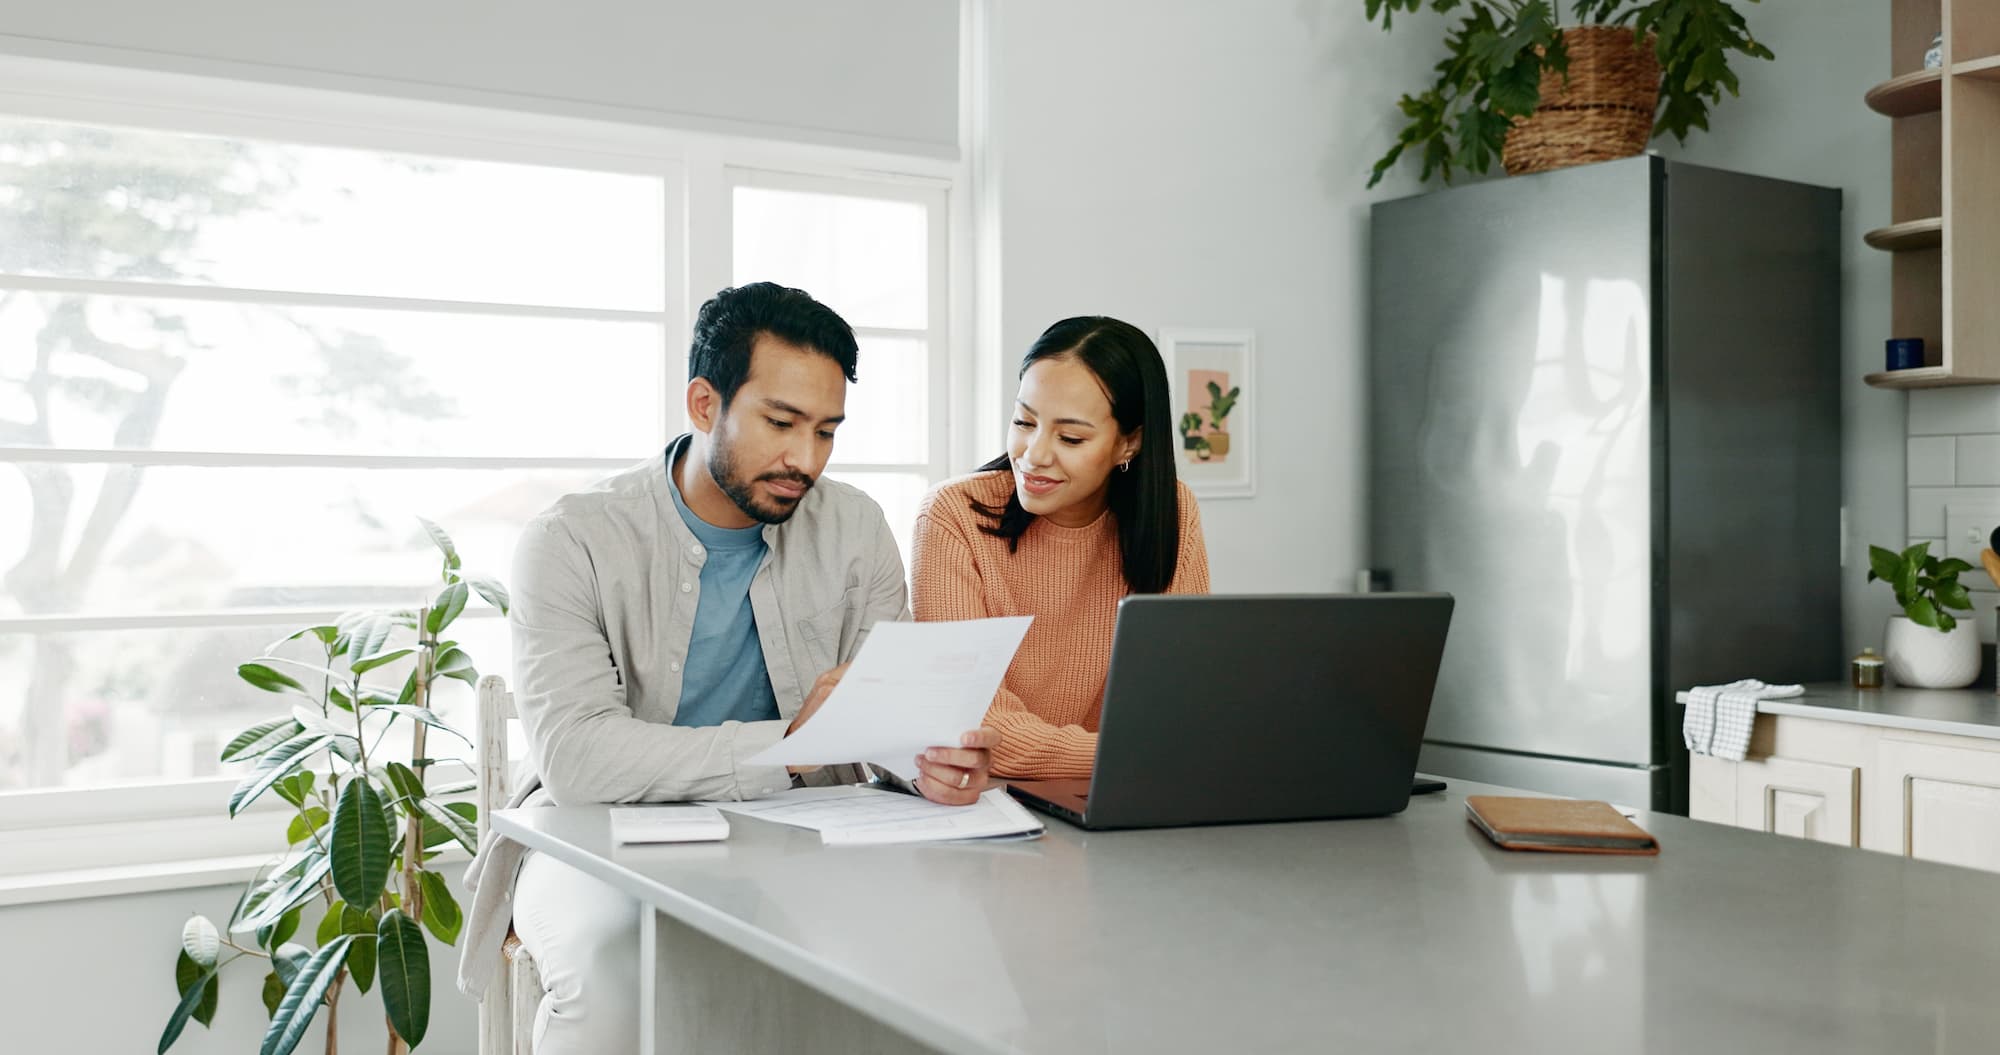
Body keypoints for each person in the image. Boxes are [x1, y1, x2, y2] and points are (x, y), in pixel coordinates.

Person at [457, 282, 998, 1054]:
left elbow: (883, 720)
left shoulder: (855, 527)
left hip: (803, 831)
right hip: (596, 832)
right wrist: (789, 746)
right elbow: (577, 758)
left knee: (928, 954)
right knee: (613, 976)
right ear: (704, 403)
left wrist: (926, 763)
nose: (804, 458)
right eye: (781, 423)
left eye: (826, 431)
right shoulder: (571, 539)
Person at [909, 316, 1210, 780]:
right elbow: (972, 720)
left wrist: (1157, 752)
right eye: (1023, 421)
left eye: (1071, 437)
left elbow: (1181, 696)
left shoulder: (1172, 511)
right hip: (992, 799)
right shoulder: (953, 515)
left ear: (1129, 443)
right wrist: (1129, 754)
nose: (1034, 454)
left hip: (1130, 793)